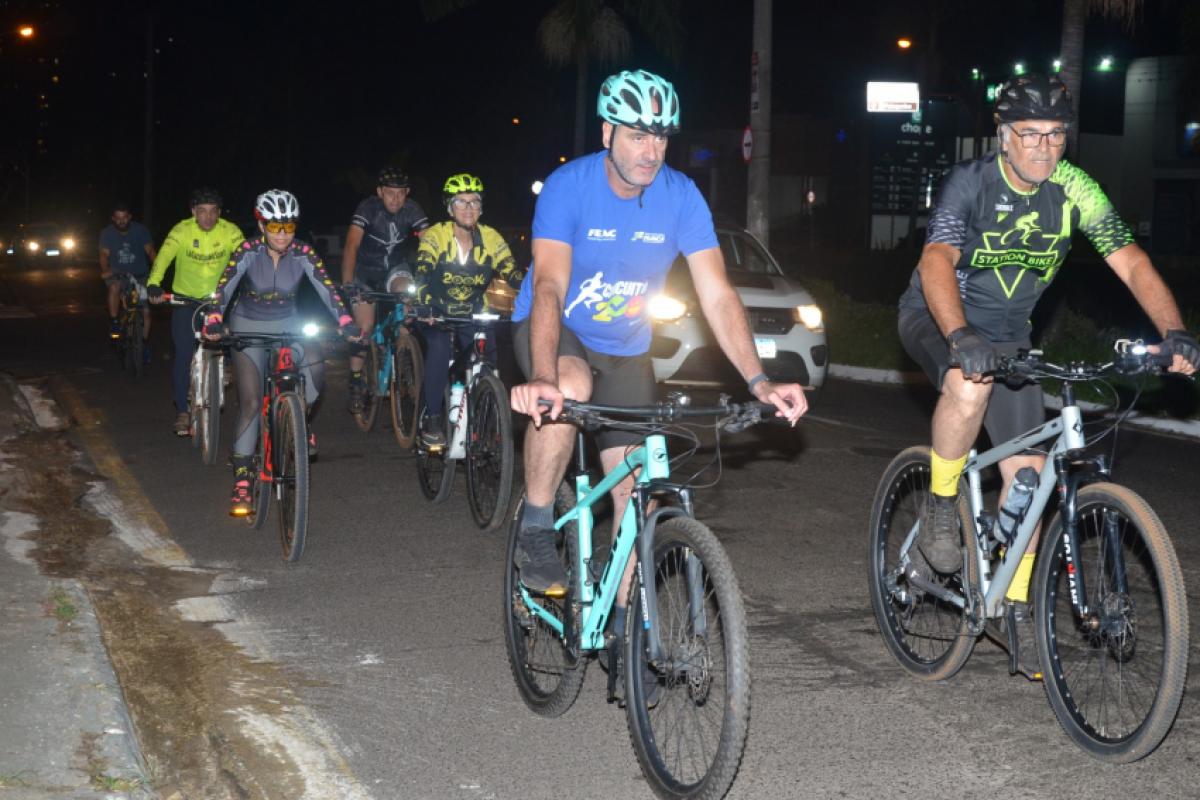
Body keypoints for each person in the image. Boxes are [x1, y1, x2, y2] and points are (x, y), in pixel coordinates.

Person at [897, 74, 1199, 617]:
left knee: (1031, 483)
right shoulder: (971, 183)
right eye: (1031, 133)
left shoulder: (1076, 189)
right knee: (969, 386)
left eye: (1056, 134)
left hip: (1012, 335)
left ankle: (1013, 609)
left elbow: (1130, 261)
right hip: (940, 316)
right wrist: (960, 335)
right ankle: (943, 502)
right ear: (1005, 135)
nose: (1045, 147)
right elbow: (936, 259)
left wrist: (1172, 329)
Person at [508, 68, 807, 612]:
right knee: (569, 385)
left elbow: (717, 294)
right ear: (607, 134)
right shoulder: (568, 187)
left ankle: (623, 625)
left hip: (626, 349)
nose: (652, 151)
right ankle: (534, 520)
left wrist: (759, 380)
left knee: (638, 495)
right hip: (557, 330)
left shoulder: (681, 197)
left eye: (662, 137)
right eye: (638, 135)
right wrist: (544, 376)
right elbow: (550, 284)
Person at [204, 190, 357, 516]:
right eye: (275, 227)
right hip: (248, 327)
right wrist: (215, 316)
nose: (282, 234)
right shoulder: (247, 250)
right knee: (249, 402)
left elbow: (327, 289)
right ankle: (243, 478)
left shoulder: (303, 252)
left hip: (288, 324)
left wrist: (345, 320)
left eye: (288, 227)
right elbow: (225, 286)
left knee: (315, 363)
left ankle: (297, 418)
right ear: (262, 225)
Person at [402, 173, 523, 446]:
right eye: (461, 202)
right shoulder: (436, 235)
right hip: (435, 311)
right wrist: (423, 303)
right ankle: (432, 419)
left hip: (473, 313)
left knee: (488, 358)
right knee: (441, 347)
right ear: (450, 207)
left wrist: (536, 295)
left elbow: (513, 274)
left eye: (475, 202)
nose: (469, 208)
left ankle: (485, 419)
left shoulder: (491, 238)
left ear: (481, 207)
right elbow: (422, 272)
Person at [147, 188, 245, 436]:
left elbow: (246, 256)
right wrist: (154, 283)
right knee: (183, 353)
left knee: (237, 331)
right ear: (193, 212)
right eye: (202, 212)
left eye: (213, 212)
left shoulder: (230, 231)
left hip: (218, 300)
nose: (208, 218)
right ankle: (182, 411)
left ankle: (229, 365)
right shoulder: (181, 230)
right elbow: (163, 258)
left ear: (219, 213)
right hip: (185, 300)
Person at [342, 167, 430, 414]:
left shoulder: (413, 209)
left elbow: (430, 243)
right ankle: (356, 379)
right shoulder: (368, 208)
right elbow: (351, 246)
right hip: (366, 272)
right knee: (365, 328)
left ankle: (404, 352)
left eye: (401, 193)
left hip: (395, 269)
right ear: (380, 192)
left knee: (407, 295)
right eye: (390, 193)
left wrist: (430, 285)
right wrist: (349, 284)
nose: (395, 199)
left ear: (407, 193)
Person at [98, 202, 156, 353]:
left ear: (129, 217)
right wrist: (105, 270)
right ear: (113, 218)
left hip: (140, 276)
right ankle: (115, 322)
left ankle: (143, 343)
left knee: (146, 311)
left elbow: (150, 251)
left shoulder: (140, 230)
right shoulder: (107, 233)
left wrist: (157, 270)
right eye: (117, 218)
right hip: (118, 274)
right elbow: (104, 254)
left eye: (124, 217)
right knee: (114, 287)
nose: (121, 221)